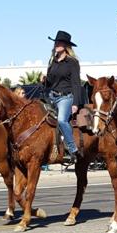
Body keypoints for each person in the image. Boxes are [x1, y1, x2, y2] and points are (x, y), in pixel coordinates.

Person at [44, 30, 85, 162]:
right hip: (51, 96)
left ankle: (73, 150)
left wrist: (75, 103)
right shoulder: (53, 61)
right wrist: (44, 79)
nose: (57, 44)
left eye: (60, 42)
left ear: (66, 45)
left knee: (62, 120)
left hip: (65, 97)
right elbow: (50, 82)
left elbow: (76, 84)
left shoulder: (72, 62)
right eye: (56, 42)